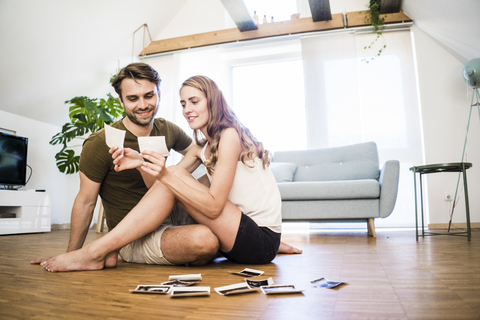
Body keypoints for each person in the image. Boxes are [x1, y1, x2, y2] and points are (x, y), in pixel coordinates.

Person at [34, 75, 301, 272]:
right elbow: (166, 183)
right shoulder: (205, 145)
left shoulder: (229, 135)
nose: (187, 110)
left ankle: (95, 252)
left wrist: (164, 174)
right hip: (252, 236)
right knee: (173, 174)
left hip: (259, 239)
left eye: (195, 101)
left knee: (173, 175)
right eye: (184, 103)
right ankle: (99, 251)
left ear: (213, 102)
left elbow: (214, 204)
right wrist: (141, 161)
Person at [32, 64, 220, 268]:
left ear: (158, 94)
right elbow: (86, 202)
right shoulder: (100, 142)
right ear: (121, 100)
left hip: (173, 216)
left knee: (226, 221)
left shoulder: (167, 129)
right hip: (132, 235)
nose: (143, 105)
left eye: (149, 95)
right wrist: (73, 254)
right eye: (133, 98)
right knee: (206, 241)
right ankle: (104, 250)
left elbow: (201, 153)